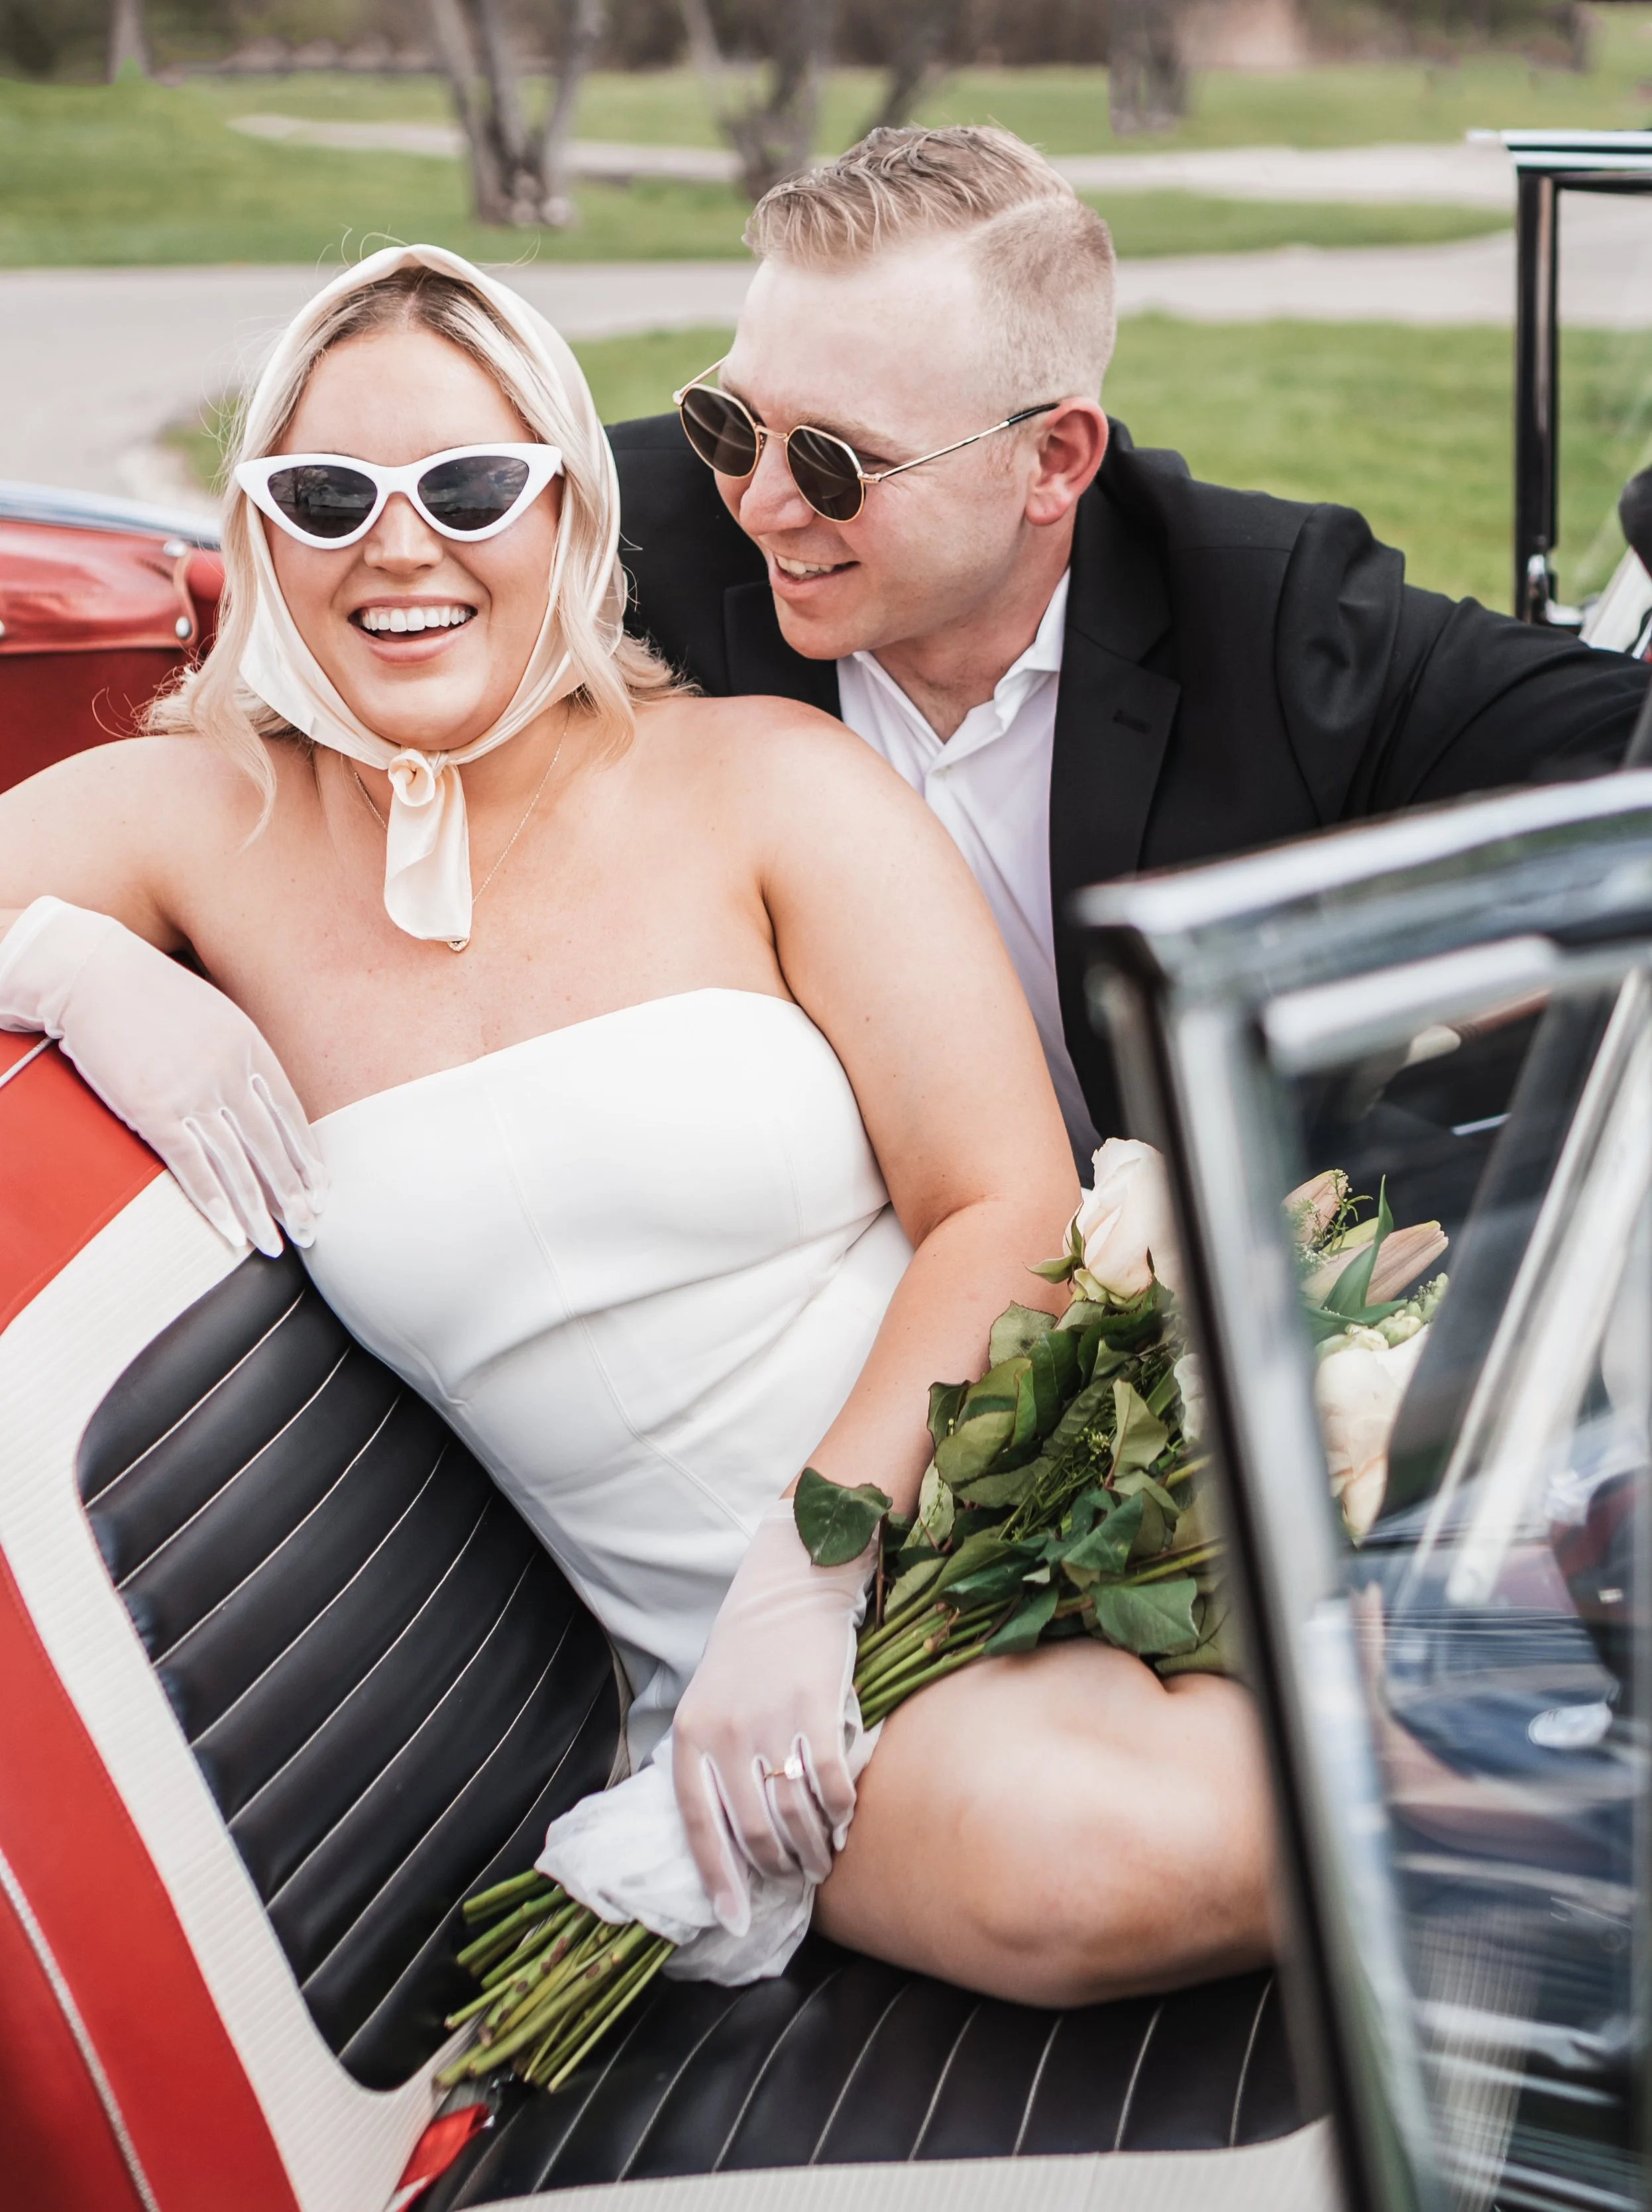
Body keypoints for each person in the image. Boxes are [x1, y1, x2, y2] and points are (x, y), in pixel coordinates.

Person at [0, 245, 1272, 2007]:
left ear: (568, 510)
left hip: (971, 1504)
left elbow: (1001, 1199)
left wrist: (812, 1566)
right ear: (261, 529)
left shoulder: (759, 778)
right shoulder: (194, 818)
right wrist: (68, 961)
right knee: (1097, 1862)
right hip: (779, 1691)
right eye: (324, 494)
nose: (398, 544)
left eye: (465, 485)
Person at [610, 125, 1652, 1164]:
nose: (765, 503)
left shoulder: (1271, 618)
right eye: (729, 422)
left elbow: (1623, 757)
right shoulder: (628, 539)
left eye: (840, 464)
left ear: (1055, 458)